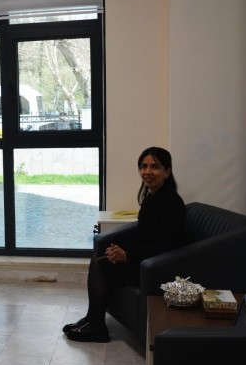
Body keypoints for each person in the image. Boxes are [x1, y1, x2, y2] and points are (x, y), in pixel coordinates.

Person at [64, 147, 186, 343]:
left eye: (155, 167)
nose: (147, 172)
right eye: (143, 166)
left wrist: (127, 255)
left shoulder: (171, 203)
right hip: (145, 259)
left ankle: (96, 326)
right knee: (100, 258)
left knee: (100, 265)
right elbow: (143, 235)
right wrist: (119, 250)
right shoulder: (152, 198)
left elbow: (164, 245)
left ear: (167, 171)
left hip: (157, 266)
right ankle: (92, 319)